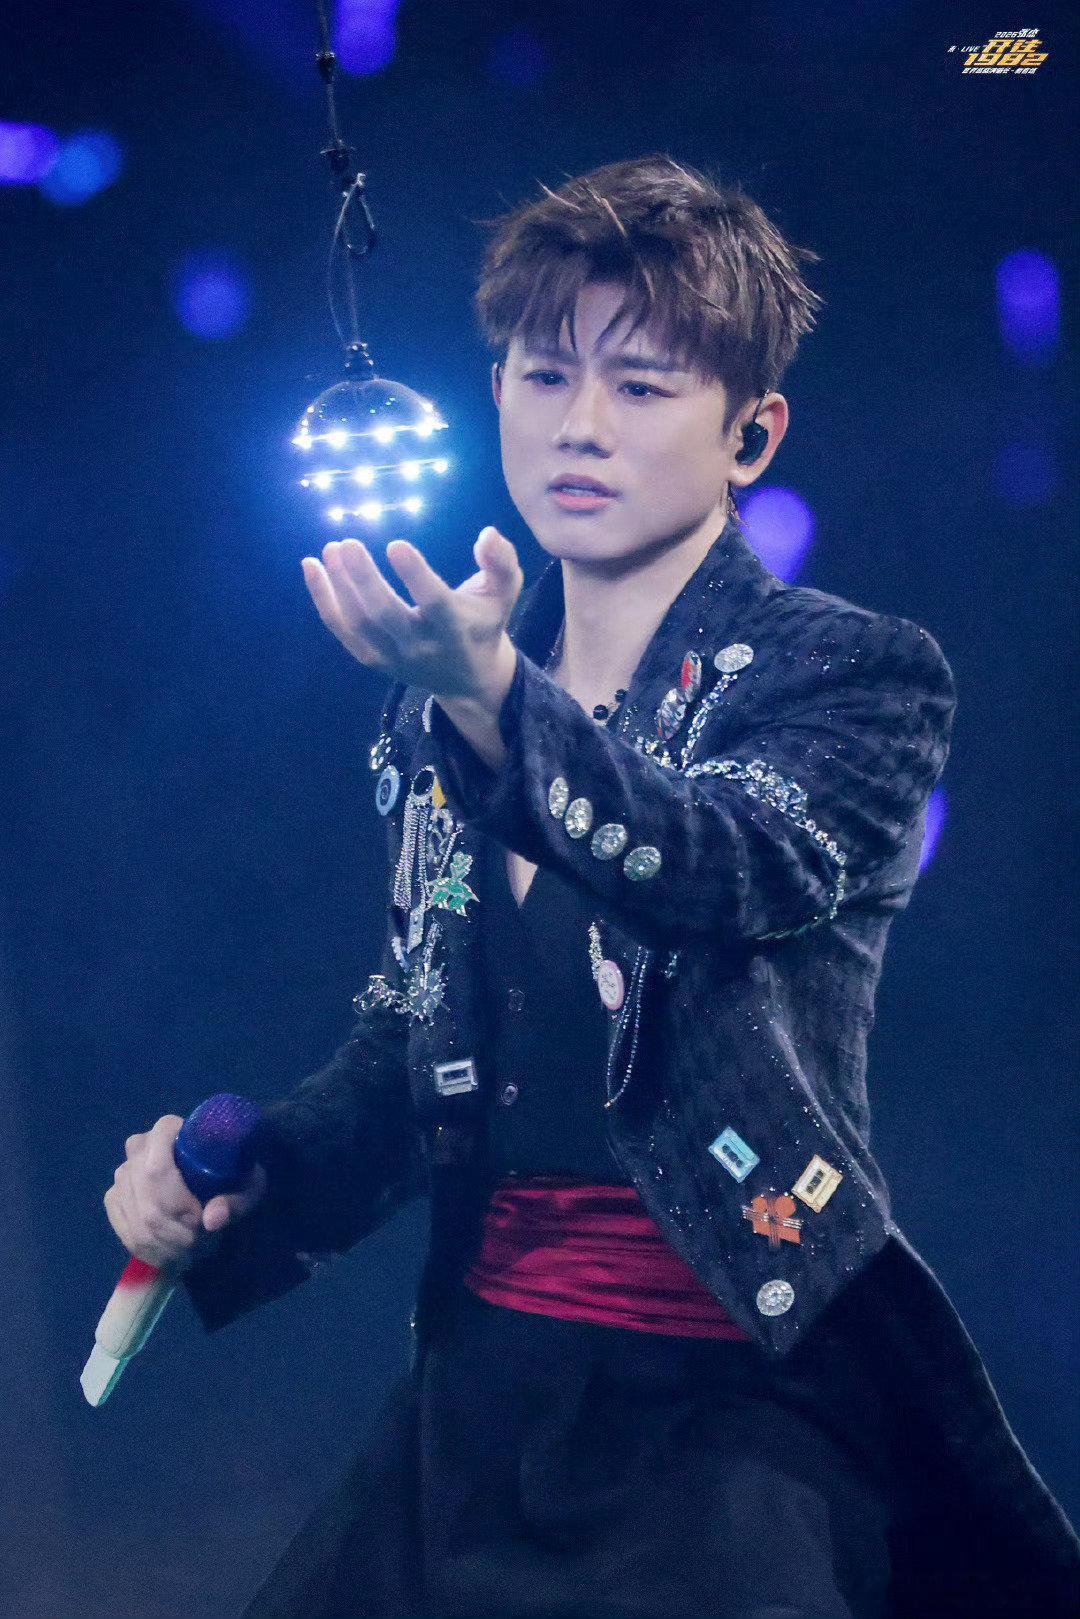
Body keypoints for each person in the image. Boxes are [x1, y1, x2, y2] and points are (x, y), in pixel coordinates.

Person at [105, 155, 1080, 1618]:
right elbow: (421, 1041)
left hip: (729, 1419)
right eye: (544, 372)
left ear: (751, 433)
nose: (579, 423)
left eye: (640, 385)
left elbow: (715, 864)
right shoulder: (443, 701)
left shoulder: (854, 675)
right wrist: (235, 1179)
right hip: (479, 1396)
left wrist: (497, 701)